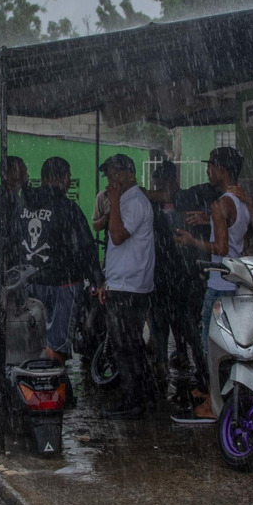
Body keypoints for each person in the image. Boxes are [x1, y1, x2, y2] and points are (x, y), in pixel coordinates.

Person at [174, 147, 252, 422]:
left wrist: (191, 241)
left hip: (219, 283)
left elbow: (219, 247)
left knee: (210, 347)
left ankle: (212, 404)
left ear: (221, 170)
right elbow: (241, 236)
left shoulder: (221, 204)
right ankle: (221, 399)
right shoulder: (240, 201)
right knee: (229, 347)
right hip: (236, 284)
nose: (207, 172)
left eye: (210, 167)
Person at [19, 157, 103, 366]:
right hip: (63, 285)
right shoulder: (68, 208)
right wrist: (97, 280)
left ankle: (34, 384)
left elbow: (11, 243)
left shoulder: (22, 207)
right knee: (56, 344)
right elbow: (84, 247)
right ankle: (53, 388)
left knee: (32, 341)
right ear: (64, 178)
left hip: (29, 283)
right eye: (68, 177)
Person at [97, 154, 154, 420]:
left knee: (127, 345)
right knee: (127, 345)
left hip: (129, 288)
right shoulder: (128, 201)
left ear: (129, 173)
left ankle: (135, 400)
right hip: (123, 284)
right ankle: (138, 396)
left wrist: (116, 201)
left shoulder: (133, 202)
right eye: (108, 175)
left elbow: (118, 236)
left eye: (114, 174)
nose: (110, 180)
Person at [146, 161, 205, 401]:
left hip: (184, 276)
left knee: (188, 328)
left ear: (171, 181)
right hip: (161, 275)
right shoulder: (152, 206)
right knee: (161, 327)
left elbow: (171, 196)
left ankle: (200, 372)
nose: (158, 186)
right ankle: (161, 372)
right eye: (156, 182)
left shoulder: (186, 199)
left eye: (161, 182)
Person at [0, 156, 29, 291]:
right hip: (6, 264)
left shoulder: (9, 196)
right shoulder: (7, 198)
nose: (26, 175)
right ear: (8, 176)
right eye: (22, 172)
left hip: (4, 263)